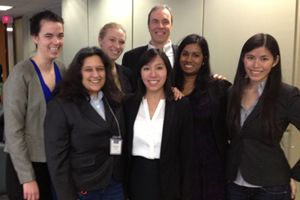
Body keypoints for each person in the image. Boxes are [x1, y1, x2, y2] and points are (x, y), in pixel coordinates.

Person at [44, 47, 125, 200]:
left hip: (114, 185)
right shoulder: (61, 106)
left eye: (100, 69)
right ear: (78, 73)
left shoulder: (113, 99)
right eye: (89, 69)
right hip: (83, 189)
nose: (95, 75)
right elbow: (57, 162)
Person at [226, 33, 300, 200]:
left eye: (264, 58)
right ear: (243, 59)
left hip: (272, 187)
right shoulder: (232, 92)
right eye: (250, 57)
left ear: (275, 61)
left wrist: (294, 174)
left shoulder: (287, 95)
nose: (256, 64)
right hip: (234, 185)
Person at [3, 10, 65, 200]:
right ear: (35, 38)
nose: (56, 42)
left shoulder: (61, 69)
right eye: (48, 36)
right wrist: (27, 178)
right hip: (28, 164)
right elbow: (13, 132)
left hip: (54, 161)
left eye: (60, 35)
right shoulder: (21, 74)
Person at [123, 48, 193, 200]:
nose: (153, 74)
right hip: (136, 178)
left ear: (167, 71)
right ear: (140, 73)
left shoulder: (180, 105)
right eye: (146, 68)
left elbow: (187, 155)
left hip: (169, 181)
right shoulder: (128, 104)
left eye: (159, 68)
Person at [174, 34, 231, 200]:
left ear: (204, 59)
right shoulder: (169, 89)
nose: (189, 59)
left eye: (196, 55)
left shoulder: (218, 87)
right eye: (185, 54)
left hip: (212, 168)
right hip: (180, 167)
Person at [122, 4, 177, 90]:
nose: (160, 26)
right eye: (155, 21)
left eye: (165, 22)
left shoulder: (184, 55)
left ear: (171, 26)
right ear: (148, 26)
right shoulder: (130, 58)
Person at [98, 22, 132, 94]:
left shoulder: (127, 73)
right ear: (100, 40)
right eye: (112, 40)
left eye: (121, 42)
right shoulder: (90, 72)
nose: (117, 46)